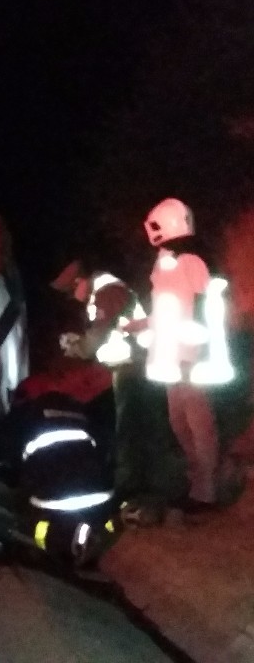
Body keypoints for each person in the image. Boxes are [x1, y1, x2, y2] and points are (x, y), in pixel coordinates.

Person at [128, 198, 231, 515]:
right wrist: (143, 324)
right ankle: (198, 479)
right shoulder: (165, 263)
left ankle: (205, 491)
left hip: (191, 355)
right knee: (179, 421)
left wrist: (200, 344)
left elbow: (207, 303)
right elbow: (168, 309)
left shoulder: (190, 262)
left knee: (198, 422)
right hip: (171, 356)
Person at [51, 261, 166, 522]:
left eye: (71, 290)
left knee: (131, 431)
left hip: (135, 369)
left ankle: (136, 491)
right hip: (128, 368)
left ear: (81, 280)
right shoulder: (102, 293)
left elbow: (98, 336)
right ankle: (141, 488)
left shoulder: (107, 292)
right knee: (135, 430)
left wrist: (76, 348)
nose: (72, 297)